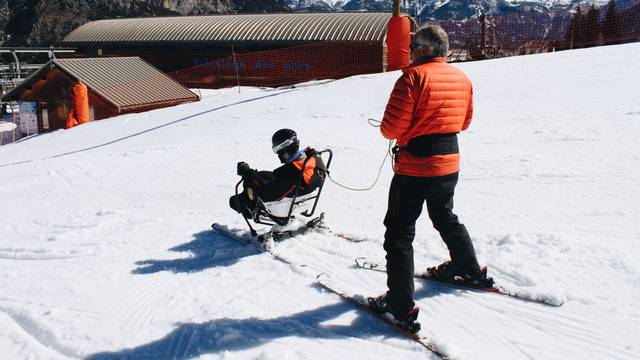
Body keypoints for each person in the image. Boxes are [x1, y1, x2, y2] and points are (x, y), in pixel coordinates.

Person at [368, 25, 493, 331]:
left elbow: (390, 129)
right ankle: (468, 267)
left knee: (399, 233)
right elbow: (464, 122)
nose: (410, 52)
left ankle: (400, 305)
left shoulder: (412, 77)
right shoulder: (462, 77)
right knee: (444, 215)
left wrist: (408, 131)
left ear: (423, 49)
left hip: (414, 166)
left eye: (413, 47)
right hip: (449, 163)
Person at [229, 128, 325, 221]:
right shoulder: (311, 160)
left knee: (234, 201)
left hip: (283, 207)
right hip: (304, 197)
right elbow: (282, 179)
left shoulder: (290, 171)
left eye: (277, 149)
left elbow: (267, 194)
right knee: (262, 175)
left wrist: (248, 175)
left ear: (283, 148)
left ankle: (250, 209)